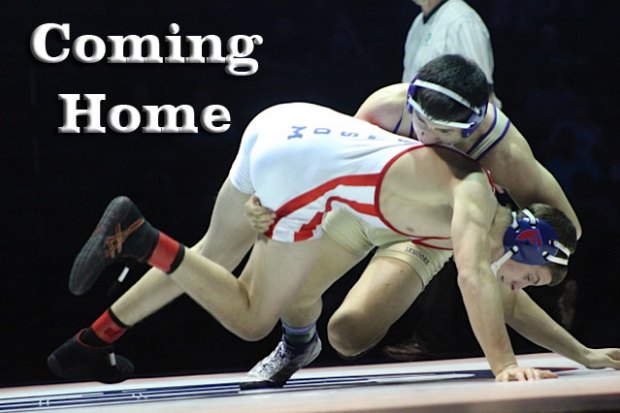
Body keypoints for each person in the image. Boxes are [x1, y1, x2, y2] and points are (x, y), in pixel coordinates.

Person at [48, 101, 580, 386]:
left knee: (212, 253)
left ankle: (92, 344)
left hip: (283, 122)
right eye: (529, 276)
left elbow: (503, 300)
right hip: (302, 176)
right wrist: (504, 366)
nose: (518, 285)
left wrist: (582, 354)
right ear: (526, 245)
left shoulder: (473, 193)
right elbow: (476, 281)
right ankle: (143, 239)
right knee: (253, 317)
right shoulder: (476, 203)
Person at [239, 54, 584, 388]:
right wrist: (272, 194)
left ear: (472, 126)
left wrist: (566, 346)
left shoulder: (505, 152)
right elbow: (329, 164)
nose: (428, 137)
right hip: (365, 209)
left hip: (430, 234)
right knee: (283, 295)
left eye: (444, 132)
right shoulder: (385, 105)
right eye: (422, 123)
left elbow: (559, 233)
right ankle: (297, 343)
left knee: (348, 334)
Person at [402, 0, 501, 107]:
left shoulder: (463, 22)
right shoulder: (417, 23)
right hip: (418, 119)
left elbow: (482, 97)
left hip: (448, 121)